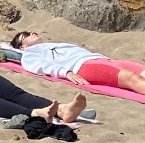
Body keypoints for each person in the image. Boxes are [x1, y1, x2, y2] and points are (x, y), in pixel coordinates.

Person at [9, 30, 145, 98]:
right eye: (26, 35)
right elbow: (39, 66)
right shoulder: (30, 53)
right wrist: (66, 72)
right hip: (83, 66)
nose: (31, 32)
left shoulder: (51, 45)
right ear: (22, 47)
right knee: (131, 78)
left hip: (103, 60)